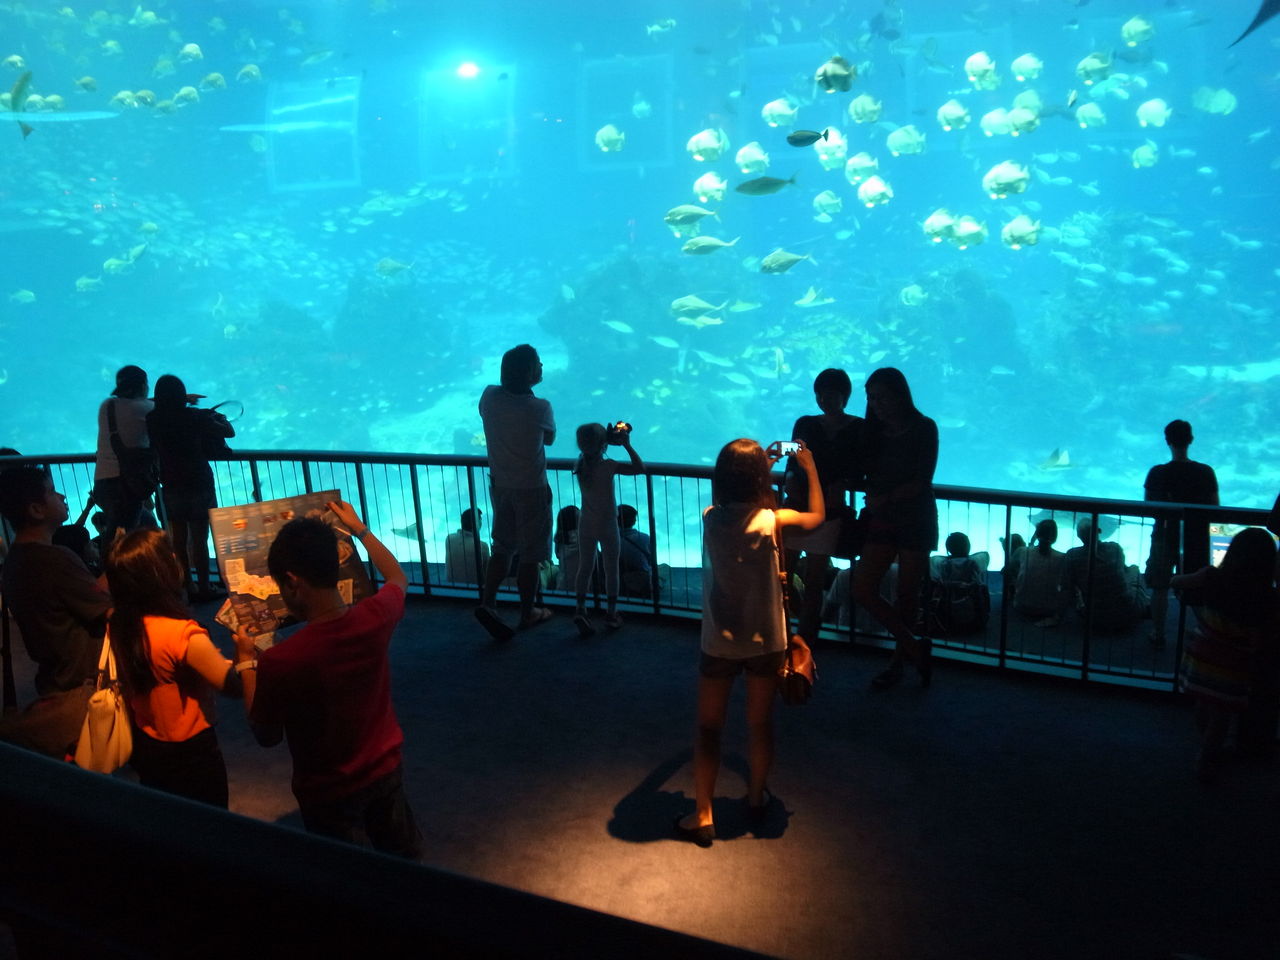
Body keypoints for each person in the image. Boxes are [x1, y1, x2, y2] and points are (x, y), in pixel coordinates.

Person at [234, 501, 422, 859]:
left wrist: (246, 663)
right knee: (405, 867)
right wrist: (360, 530)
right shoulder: (376, 617)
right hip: (385, 769)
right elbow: (398, 577)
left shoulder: (282, 660)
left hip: (328, 792)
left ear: (291, 582)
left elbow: (266, 735)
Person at [674, 438, 824, 847]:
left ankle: (703, 814)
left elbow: (728, 500)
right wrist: (807, 466)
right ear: (762, 480)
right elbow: (817, 517)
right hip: (767, 643)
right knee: (759, 724)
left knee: (708, 728)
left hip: (718, 642)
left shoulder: (710, 518)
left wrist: (757, 470)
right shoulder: (774, 522)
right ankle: (756, 797)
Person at [105, 528, 241, 806]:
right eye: (171, 555)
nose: (178, 557)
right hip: (191, 751)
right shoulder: (181, 633)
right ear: (160, 572)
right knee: (210, 824)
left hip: (147, 742)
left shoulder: (118, 622)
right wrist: (245, 652)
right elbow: (233, 686)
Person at [0, 467, 111, 758]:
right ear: (36, 510)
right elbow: (105, 610)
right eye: (51, 492)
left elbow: (78, 595)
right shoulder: (56, 559)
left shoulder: (15, 561)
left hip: (53, 676)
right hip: (82, 678)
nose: (61, 496)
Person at [852, 367, 939, 690]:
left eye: (882, 397)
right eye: (872, 398)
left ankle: (898, 663)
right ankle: (915, 646)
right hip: (883, 518)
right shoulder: (871, 432)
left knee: (906, 595)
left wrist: (883, 497)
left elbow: (922, 480)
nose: (877, 404)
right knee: (863, 588)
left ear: (900, 395)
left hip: (915, 518)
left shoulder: (924, 427)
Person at [1174, 527, 1278, 782]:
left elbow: (1176, 582)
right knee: (1221, 715)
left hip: (1202, 660)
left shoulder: (1212, 577)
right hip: (1234, 668)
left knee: (1203, 704)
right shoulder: (1268, 597)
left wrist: (1187, 582)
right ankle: (1207, 756)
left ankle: (1207, 746)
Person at [475, 344, 556, 640]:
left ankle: (489, 602)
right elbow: (549, 439)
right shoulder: (540, 407)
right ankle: (527, 612)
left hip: (500, 485)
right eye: (538, 363)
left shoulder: (489, 397)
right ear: (529, 372)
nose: (542, 366)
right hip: (531, 488)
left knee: (503, 547)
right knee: (532, 555)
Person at [782, 368, 865, 643]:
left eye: (830, 394)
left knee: (816, 576)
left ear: (845, 396)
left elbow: (860, 468)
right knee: (783, 571)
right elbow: (792, 455)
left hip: (830, 511)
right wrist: (789, 476)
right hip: (796, 506)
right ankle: (785, 626)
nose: (823, 400)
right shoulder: (804, 422)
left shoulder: (859, 428)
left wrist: (843, 483)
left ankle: (806, 634)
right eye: (819, 394)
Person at [146, 374, 235, 602]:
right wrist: (220, 419)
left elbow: (153, 403)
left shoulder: (153, 420)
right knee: (199, 538)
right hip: (198, 482)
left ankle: (188, 585)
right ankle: (205, 586)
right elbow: (228, 432)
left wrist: (180, 400)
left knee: (178, 538)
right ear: (181, 394)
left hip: (171, 483)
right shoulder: (194, 416)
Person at [1143, 420, 1219, 648]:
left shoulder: (1157, 472)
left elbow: (1148, 506)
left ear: (1167, 441)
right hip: (1196, 538)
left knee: (1160, 586)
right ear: (1191, 440)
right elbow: (1215, 507)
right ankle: (1210, 633)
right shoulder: (1206, 472)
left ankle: (1158, 634)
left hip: (1164, 536)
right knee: (1196, 585)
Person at [571, 423, 645, 636]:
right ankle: (611, 613)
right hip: (607, 524)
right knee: (610, 568)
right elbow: (639, 468)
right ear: (604, 445)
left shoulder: (579, 464)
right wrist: (626, 445)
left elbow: (592, 451)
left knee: (585, 567)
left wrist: (604, 442)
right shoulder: (609, 466)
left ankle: (580, 609)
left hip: (586, 523)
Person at [93, 364, 155, 543]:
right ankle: (115, 569)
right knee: (123, 538)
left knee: (131, 527)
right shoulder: (148, 409)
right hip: (126, 485)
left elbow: (134, 405)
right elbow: (150, 406)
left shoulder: (107, 406)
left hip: (102, 484)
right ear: (143, 386)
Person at [1065, 518, 1145, 632]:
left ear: (1078, 535)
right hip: (1128, 614)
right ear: (1099, 531)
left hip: (1093, 619)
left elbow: (1068, 584)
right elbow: (1124, 569)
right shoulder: (1114, 548)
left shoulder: (1072, 555)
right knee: (1134, 569)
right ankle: (1146, 605)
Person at [1014, 519, 1070, 627]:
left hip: (1021, 605)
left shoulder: (1022, 551)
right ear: (1054, 538)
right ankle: (1057, 618)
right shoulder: (1062, 558)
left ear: (1037, 534)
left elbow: (1007, 570)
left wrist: (1032, 542)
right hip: (1049, 609)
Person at [444, 508, 489, 584]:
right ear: (477, 523)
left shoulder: (449, 538)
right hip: (475, 589)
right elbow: (487, 571)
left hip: (452, 585)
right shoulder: (482, 546)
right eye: (480, 520)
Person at [617, 503, 654, 597]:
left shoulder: (610, 539)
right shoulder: (645, 538)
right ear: (634, 521)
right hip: (642, 581)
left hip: (618, 581)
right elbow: (651, 560)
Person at [553, 504, 582, 593]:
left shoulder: (559, 540)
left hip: (563, 588)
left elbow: (558, 556)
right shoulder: (586, 537)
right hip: (586, 589)